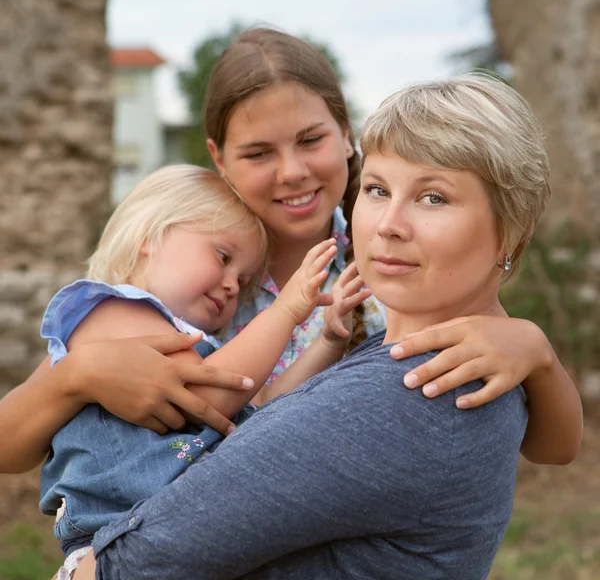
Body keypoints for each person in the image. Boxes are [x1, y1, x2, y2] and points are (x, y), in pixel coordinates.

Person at [0, 29, 581, 480]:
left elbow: (553, 449)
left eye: (310, 140)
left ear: (346, 133)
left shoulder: (400, 262)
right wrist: (76, 377)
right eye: (258, 153)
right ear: (219, 159)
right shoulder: (187, 274)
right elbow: (11, 447)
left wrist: (535, 352)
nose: (293, 172)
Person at [75, 74, 570, 580]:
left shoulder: (410, 392)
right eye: (377, 189)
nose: (388, 224)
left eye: (434, 198)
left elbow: (137, 563)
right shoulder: (462, 351)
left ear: (511, 229)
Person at [41, 164, 369, 578]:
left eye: (243, 279)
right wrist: (286, 309)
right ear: (151, 237)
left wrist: (328, 342)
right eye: (223, 257)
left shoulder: (196, 346)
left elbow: (261, 401)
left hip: (177, 530)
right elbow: (205, 399)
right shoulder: (109, 310)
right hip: (113, 540)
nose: (233, 285)